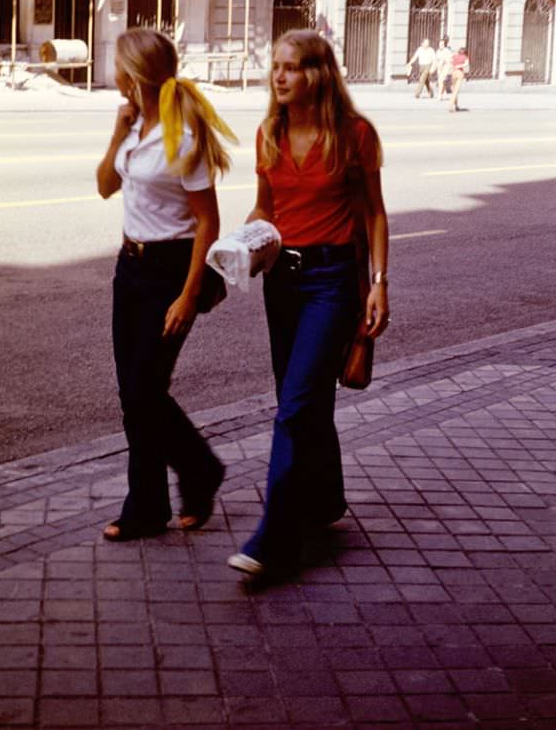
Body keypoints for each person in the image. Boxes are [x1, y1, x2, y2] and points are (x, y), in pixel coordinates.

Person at [227, 29, 390, 577]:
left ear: (317, 74)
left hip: (332, 280)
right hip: (283, 281)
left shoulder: (354, 134)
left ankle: (277, 538)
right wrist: (243, 240)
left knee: (294, 407)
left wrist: (379, 282)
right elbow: (264, 208)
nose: (278, 76)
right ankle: (323, 503)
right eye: (276, 65)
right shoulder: (268, 133)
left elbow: (374, 213)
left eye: (291, 67)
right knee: (304, 401)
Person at [96, 28, 237, 541]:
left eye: (116, 65)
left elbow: (208, 222)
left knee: (144, 391)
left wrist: (188, 293)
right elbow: (105, 186)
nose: (112, 74)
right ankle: (165, 495)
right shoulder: (134, 128)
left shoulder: (185, 137)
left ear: (134, 74)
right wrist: (118, 132)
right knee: (135, 393)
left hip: (170, 271)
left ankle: (186, 479)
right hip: (129, 267)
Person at [449, 46, 470, 113]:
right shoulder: (465, 57)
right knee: (456, 91)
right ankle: (451, 106)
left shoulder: (455, 56)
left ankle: (456, 105)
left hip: (454, 73)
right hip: (460, 73)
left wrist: (454, 66)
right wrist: (460, 66)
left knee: (454, 90)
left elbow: (450, 61)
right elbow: (466, 64)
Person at [435, 35, 453, 100]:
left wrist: (445, 61)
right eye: (440, 44)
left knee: (440, 81)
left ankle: (439, 95)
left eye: (442, 44)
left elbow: (451, 59)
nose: (441, 45)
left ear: (444, 44)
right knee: (442, 82)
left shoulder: (447, 51)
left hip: (445, 68)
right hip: (439, 68)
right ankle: (444, 93)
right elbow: (436, 59)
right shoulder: (438, 51)